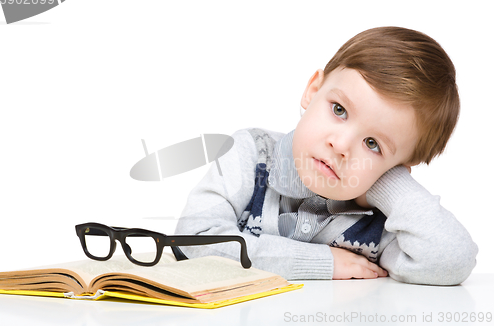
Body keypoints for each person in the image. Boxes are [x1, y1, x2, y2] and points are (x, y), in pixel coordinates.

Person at [174, 26, 478, 285]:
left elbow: (452, 259)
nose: (341, 145)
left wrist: (387, 184)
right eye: (339, 110)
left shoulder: (379, 224)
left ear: (395, 169)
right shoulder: (250, 153)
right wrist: (319, 262)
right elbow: (193, 240)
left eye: (372, 143)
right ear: (313, 89)